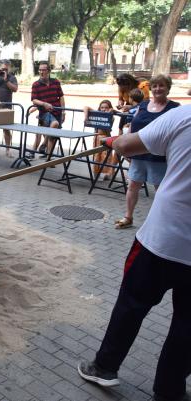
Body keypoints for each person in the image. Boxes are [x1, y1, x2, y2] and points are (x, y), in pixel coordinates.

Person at [77, 103, 191, 401]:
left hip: (162, 240)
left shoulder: (184, 115)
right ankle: (169, 391)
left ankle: (103, 367)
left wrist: (112, 141)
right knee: (188, 327)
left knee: (131, 306)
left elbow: (128, 146)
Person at [114, 74, 179, 229]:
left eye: (161, 85)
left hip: (159, 156)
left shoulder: (174, 108)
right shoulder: (142, 106)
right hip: (138, 155)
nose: (157, 89)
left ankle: (161, 221)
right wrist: (127, 148)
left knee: (161, 190)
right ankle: (128, 217)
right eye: (155, 86)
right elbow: (132, 127)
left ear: (168, 88)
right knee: (132, 186)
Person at [30, 61, 65, 160]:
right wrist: (43, 104)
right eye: (40, 70)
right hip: (44, 113)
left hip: (57, 111)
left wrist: (63, 112)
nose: (41, 72)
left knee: (52, 136)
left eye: (43, 70)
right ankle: (39, 148)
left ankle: (48, 157)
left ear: (48, 71)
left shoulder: (56, 82)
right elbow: (34, 99)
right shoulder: (36, 84)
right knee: (53, 125)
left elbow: (61, 97)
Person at [83, 99, 117, 180]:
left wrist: (110, 112)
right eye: (102, 107)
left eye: (106, 107)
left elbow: (109, 121)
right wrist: (86, 117)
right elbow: (85, 107)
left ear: (109, 108)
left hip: (106, 138)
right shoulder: (97, 114)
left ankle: (108, 173)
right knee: (96, 157)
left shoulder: (111, 117)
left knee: (106, 157)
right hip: (96, 138)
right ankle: (96, 173)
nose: (103, 109)